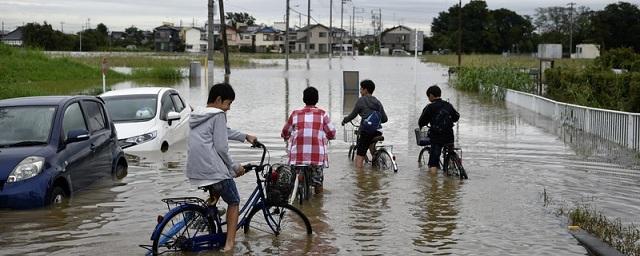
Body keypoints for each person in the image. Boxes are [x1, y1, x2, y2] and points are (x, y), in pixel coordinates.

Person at [186, 82, 257, 252]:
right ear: (218, 100)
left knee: (218, 189)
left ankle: (209, 215)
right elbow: (221, 147)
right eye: (228, 103)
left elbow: (223, 131)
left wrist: (245, 136)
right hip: (212, 170)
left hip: (195, 170)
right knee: (234, 201)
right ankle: (229, 245)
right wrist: (233, 167)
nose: (229, 108)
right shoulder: (218, 115)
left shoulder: (198, 114)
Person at [281, 87, 336, 194]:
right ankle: (318, 204)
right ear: (317, 99)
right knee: (318, 184)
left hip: (298, 156)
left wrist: (285, 136)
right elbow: (331, 133)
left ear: (303, 99)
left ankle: (297, 192)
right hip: (316, 157)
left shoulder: (295, 113)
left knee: (295, 181)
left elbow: (285, 131)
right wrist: (329, 137)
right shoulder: (322, 114)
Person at [341, 79, 388, 168]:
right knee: (371, 146)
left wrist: (344, 121)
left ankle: (360, 179)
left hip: (366, 132)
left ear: (365, 90)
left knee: (360, 156)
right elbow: (385, 119)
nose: (360, 91)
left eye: (361, 89)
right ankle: (377, 165)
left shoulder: (361, 101)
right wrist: (375, 120)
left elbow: (352, 115)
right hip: (378, 131)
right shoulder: (377, 102)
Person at [418, 85, 460, 174]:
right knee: (450, 150)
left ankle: (433, 185)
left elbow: (421, 121)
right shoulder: (448, 105)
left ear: (431, 95)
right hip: (449, 135)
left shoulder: (430, 107)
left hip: (437, 137)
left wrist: (422, 125)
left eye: (428, 96)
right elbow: (456, 117)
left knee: (433, 163)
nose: (428, 98)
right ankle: (452, 163)